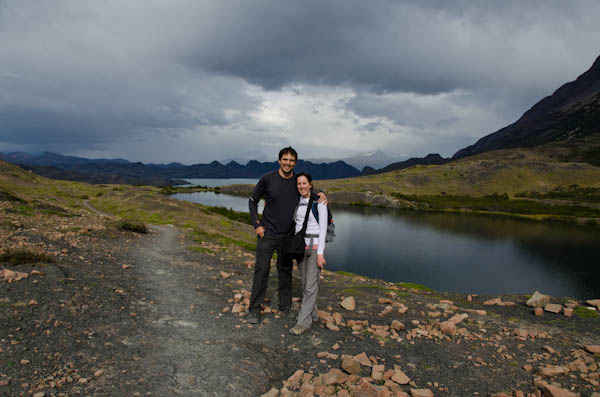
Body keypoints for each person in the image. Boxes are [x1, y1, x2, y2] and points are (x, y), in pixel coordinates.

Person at [247, 147, 325, 324]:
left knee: (285, 272)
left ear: (295, 163)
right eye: (285, 159)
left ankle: (285, 306)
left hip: (287, 236)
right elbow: (253, 201)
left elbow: (309, 193)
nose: (288, 163)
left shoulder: (297, 181)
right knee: (262, 270)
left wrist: (322, 195)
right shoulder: (268, 179)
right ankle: (254, 309)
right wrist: (256, 224)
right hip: (266, 234)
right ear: (279, 161)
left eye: (291, 160)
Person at [288, 172, 327, 335]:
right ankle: (313, 313)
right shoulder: (297, 202)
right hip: (300, 248)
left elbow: (323, 228)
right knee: (305, 284)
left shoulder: (320, 203)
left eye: (304, 183)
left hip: (314, 247)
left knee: (310, 286)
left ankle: (303, 323)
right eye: (299, 184)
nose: (302, 186)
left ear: (310, 184)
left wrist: (320, 253)